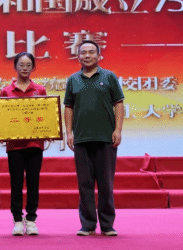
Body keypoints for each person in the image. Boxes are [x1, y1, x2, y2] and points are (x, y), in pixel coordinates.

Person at [63, 40, 124, 237]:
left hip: (106, 137)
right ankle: (88, 224)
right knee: (85, 184)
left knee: (106, 183)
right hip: (81, 138)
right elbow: (68, 107)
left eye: (91, 52)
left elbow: (119, 103)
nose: (87, 55)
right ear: (78, 56)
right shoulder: (73, 80)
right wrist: (69, 132)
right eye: (83, 52)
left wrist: (118, 130)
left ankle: (107, 225)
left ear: (99, 56)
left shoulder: (109, 76)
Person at [0, 52, 46, 236]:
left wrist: (48, 131)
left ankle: (31, 219)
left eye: (28, 65)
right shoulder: (6, 91)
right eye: (21, 65)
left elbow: (46, 116)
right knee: (16, 183)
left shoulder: (40, 90)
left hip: (35, 144)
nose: (24, 68)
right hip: (15, 146)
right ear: (15, 67)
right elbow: (1, 117)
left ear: (33, 68)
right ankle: (17, 219)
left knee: (34, 183)